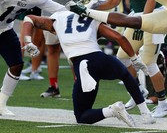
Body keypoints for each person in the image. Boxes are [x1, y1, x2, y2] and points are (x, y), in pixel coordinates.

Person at [22, 11, 156, 125]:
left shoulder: (57, 20)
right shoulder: (91, 17)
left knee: (82, 116)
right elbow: (119, 37)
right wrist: (134, 58)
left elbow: (29, 18)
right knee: (126, 75)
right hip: (100, 58)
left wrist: (28, 40)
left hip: (82, 65)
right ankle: (146, 113)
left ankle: (112, 110)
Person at [0, 0, 65, 116]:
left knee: (16, 64)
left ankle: (1, 103)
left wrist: (80, 12)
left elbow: (57, 9)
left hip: (4, 29)